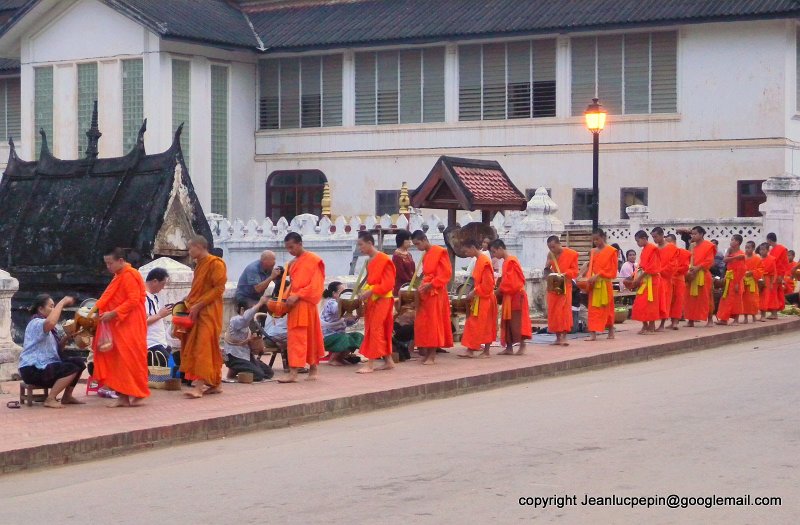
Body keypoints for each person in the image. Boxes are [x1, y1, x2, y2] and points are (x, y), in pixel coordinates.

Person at [93, 248, 149, 407]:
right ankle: (123, 396)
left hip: (130, 322)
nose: (108, 267)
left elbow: (133, 300)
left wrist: (114, 313)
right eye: (106, 264)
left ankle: (137, 393)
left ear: (121, 260)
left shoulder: (130, 275)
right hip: (118, 323)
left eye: (110, 263)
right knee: (118, 359)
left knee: (130, 358)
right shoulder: (119, 276)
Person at [180, 236, 227, 399]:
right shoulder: (199, 265)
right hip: (197, 310)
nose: (189, 251)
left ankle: (199, 388)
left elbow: (219, 289)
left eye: (190, 248)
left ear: (199, 247)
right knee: (208, 348)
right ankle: (215, 384)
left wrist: (199, 305)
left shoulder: (216, 263)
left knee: (203, 347)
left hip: (209, 312)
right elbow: (197, 289)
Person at [18, 294, 86, 408]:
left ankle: (67, 396)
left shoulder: (48, 328)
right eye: (51, 306)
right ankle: (50, 398)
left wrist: (66, 338)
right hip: (32, 369)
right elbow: (51, 322)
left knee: (78, 363)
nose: (53, 309)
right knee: (70, 368)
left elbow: (57, 350)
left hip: (45, 365)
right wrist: (62, 302)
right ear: (40, 309)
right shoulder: (36, 323)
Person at [279, 232, 326, 383]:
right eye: (287, 248)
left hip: (306, 304)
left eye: (292, 247)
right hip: (294, 305)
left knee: (310, 338)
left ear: (300, 244)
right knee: (295, 339)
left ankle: (312, 368)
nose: (290, 251)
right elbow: (292, 285)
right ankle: (294, 371)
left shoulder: (314, 260)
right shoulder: (293, 263)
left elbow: (316, 285)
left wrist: (298, 295)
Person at [356, 232, 397, 373]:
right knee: (377, 328)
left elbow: (389, 283)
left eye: (361, 244)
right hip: (373, 299)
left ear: (369, 243)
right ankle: (388, 361)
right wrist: (365, 292)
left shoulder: (384, 259)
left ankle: (370, 363)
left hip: (383, 299)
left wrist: (371, 291)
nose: (359, 248)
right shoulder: (370, 261)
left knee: (375, 328)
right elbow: (371, 281)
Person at [411, 230, 453, 364]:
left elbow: (446, 273)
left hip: (436, 292)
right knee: (424, 323)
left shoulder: (440, 251)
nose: (418, 247)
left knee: (433, 322)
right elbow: (425, 274)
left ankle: (432, 355)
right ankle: (427, 352)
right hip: (426, 291)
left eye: (418, 244)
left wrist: (432, 284)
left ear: (424, 240)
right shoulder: (426, 255)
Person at [491, 239, 532, 354]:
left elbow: (512, 282)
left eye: (494, 252)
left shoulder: (511, 261)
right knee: (507, 321)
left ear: (500, 249)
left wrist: (498, 291)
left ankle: (522, 346)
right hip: (508, 296)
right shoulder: (506, 262)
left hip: (516, 295)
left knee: (517, 321)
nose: (494, 255)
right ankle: (509, 347)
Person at [458, 239, 497, 358]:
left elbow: (488, 283)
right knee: (473, 323)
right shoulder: (479, 260)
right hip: (479, 297)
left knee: (485, 324)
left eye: (466, 251)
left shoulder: (484, 261)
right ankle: (470, 349)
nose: (466, 254)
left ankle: (486, 351)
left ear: (473, 248)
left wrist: (474, 292)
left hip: (485, 297)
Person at [223, 294, 274, 382]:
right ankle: (237, 372)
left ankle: (238, 370)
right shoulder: (236, 320)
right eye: (251, 308)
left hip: (245, 355)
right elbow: (245, 318)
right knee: (259, 375)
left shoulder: (247, 325)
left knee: (268, 373)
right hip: (234, 356)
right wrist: (259, 303)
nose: (253, 311)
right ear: (242, 309)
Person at [581, 229, 617, 341]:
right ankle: (593, 334)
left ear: (603, 237)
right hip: (594, 285)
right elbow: (591, 267)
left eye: (597, 239)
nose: (595, 242)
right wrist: (588, 278)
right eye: (594, 240)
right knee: (593, 310)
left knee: (608, 309)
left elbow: (613, 271)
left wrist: (599, 275)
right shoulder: (593, 251)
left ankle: (611, 331)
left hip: (605, 285)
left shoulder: (612, 251)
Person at [544, 235, 579, 346]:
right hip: (554, 284)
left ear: (559, 243)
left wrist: (565, 274)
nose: (552, 250)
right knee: (554, 311)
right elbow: (546, 269)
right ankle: (557, 337)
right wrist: (548, 274)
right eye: (550, 247)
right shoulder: (550, 254)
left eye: (553, 247)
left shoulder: (571, 254)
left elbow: (575, 271)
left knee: (564, 311)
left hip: (565, 284)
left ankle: (564, 336)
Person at [321, 281, 363, 366]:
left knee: (358, 336)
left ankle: (340, 358)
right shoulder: (331, 303)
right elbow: (338, 309)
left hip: (339, 335)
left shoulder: (341, 303)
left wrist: (355, 318)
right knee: (345, 338)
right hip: (328, 337)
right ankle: (333, 359)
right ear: (334, 293)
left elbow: (347, 323)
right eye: (342, 292)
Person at [630, 230, 662, 335]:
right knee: (640, 303)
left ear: (644, 239)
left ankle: (651, 324)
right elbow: (641, 266)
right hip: (644, 280)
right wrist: (634, 276)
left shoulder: (653, 249)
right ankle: (645, 324)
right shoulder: (644, 250)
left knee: (651, 303)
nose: (637, 243)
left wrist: (639, 278)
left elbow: (652, 267)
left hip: (652, 280)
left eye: (638, 241)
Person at [684, 226, 715, 327]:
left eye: (695, 234)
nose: (693, 236)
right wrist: (689, 269)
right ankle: (691, 320)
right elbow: (688, 259)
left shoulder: (709, 245)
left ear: (701, 234)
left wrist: (698, 268)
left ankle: (710, 319)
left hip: (703, 275)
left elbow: (709, 261)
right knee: (690, 298)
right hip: (692, 275)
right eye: (692, 234)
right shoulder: (691, 246)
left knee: (706, 297)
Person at [144, 268, 173, 368]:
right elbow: (141, 321)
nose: (163, 288)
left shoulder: (153, 297)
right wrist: (160, 315)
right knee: (171, 373)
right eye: (163, 284)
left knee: (174, 372)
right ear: (155, 281)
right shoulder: (143, 297)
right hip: (151, 344)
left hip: (160, 342)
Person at [715, 235, 746, 325]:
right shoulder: (730, 250)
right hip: (729, 278)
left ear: (737, 242)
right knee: (725, 299)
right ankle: (724, 319)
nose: (731, 241)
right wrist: (735, 258)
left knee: (736, 299)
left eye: (732, 240)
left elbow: (742, 270)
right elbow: (724, 260)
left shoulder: (742, 254)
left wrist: (737, 283)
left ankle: (736, 320)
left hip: (737, 279)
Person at [651, 227, 677, 332]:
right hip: (656, 279)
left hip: (666, 279)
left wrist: (660, 271)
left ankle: (662, 324)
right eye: (653, 237)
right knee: (655, 302)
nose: (654, 239)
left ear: (662, 235)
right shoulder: (655, 249)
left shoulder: (671, 247)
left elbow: (673, 264)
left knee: (665, 302)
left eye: (656, 237)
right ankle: (652, 323)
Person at [666, 234, 691, 329]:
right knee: (670, 301)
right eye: (666, 242)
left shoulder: (683, 253)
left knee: (678, 300)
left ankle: (675, 322)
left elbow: (685, 267)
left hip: (679, 279)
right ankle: (672, 321)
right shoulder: (666, 252)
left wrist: (673, 269)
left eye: (669, 241)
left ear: (674, 242)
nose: (668, 244)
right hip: (669, 279)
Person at [766, 233, 790, 311]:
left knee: (774, 292)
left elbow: (784, 263)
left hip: (778, 274)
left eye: (767, 240)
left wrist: (781, 275)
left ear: (769, 240)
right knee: (776, 292)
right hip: (773, 274)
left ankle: (774, 311)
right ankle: (777, 308)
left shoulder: (782, 249)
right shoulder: (771, 250)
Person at [758, 243, 781, 320]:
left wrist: (772, 283)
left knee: (770, 297)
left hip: (769, 280)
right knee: (762, 298)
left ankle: (771, 314)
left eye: (763, 250)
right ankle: (763, 315)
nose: (761, 251)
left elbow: (774, 272)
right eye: (760, 249)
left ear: (768, 250)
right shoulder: (759, 259)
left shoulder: (771, 259)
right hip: (761, 279)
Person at [742, 241, 763, 323]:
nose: (747, 249)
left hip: (753, 282)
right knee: (744, 300)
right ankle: (745, 317)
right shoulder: (743, 257)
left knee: (753, 300)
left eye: (749, 247)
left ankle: (754, 316)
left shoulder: (757, 258)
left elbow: (760, 269)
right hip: (744, 282)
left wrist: (752, 272)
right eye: (746, 247)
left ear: (753, 249)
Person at [392, 230, 416, 296]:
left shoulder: (409, 254)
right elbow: (400, 272)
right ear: (402, 240)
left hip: (410, 285)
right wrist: (410, 281)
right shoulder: (397, 255)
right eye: (408, 239)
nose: (410, 241)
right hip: (401, 286)